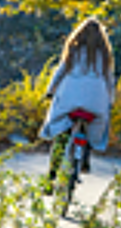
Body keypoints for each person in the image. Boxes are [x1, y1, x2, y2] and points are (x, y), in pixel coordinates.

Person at [40, 17, 116, 186]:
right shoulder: (105, 55)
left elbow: (60, 72)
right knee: (94, 124)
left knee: (62, 131)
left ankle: (51, 176)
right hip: (96, 99)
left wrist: (49, 91)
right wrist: (110, 100)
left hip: (70, 98)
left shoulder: (73, 50)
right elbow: (110, 80)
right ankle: (85, 156)